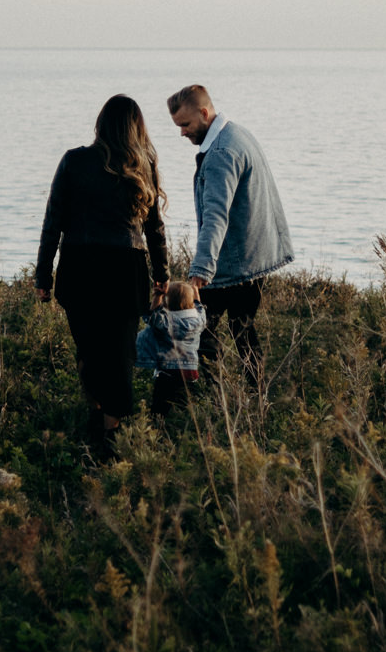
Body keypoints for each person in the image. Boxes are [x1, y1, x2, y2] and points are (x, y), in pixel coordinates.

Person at [36, 95, 168, 458]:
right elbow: (155, 229)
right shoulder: (144, 165)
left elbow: (53, 222)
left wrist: (43, 275)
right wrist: (162, 276)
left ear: (100, 124)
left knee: (89, 349)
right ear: (136, 128)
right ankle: (110, 434)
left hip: (81, 267)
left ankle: (99, 419)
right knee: (120, 354)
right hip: (126, 269)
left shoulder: (73, 161)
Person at [167, 84, 293, 370]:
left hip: (235, 261)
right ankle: (253, 397)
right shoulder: (237, 133)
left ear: (203, 112)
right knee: (242, 331)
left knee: (202, 328)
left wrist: (200, 271)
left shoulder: (221, 153)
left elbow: (215, 216)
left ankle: (214, 395)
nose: (182, 132)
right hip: (254, 253)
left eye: (185, 124)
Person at [135, 279, 206, 417]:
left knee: (159, 410)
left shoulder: (166, 322)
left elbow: (152, 316)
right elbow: (200, 307)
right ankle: (181, 431)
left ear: (167, 303)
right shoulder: (199, 321)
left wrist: (157, 297)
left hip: (168, 373)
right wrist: (196, 291)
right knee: (183, 409)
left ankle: (159, 429)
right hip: (190, 373)